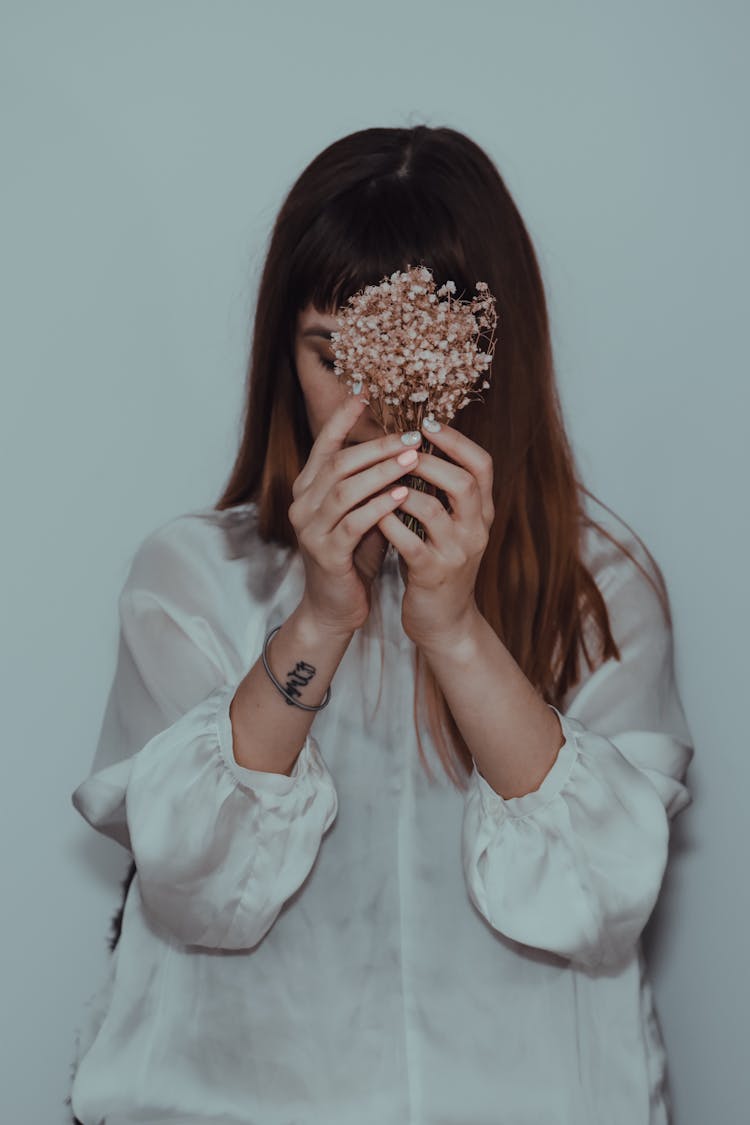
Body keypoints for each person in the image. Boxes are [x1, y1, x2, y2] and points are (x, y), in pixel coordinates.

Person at [67, 124, 694, 1125]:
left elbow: (597, 903)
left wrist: (453, 629)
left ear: (494, 352)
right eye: (333, 353)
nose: (374, 399)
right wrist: (321, 618)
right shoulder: (194, 577)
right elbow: (197, 889)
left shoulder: (597, 591)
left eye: (420, 354)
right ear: (288, 354)